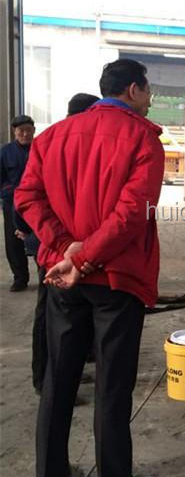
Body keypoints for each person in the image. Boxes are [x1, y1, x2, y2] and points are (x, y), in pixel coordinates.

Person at [15, 59, 164, 477]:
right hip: (116, 279)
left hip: (63, 278)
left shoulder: (52, 137)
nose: (150, 98)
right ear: (134, 90)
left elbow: (27, 196)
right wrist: (84, 257)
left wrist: (66, 251)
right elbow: (131, 214)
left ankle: (50, 475)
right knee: (112, 384)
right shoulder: (143, 138)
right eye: (148, 90)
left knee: (59, 376)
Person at [14, 93, 99, 395]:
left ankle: (66, 372)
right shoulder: (54, 143)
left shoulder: (59, 142)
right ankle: (44, 379)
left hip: (63, 246)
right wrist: (32, 233)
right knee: (48, 318)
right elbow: (25, 195)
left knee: (67, 319)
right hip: (53, 248)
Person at [1, 115, 35, 291]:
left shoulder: (41, 148)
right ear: (14, 131)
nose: (25, 134)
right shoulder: (5, 152)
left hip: (37, 203)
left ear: (34, 131)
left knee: (40, 238)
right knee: (14, 242)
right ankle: (20, 278)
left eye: (28, 130)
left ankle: (45, 273)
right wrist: (8, 192)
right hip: (12, 204)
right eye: (21, 131)